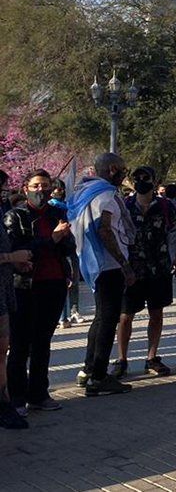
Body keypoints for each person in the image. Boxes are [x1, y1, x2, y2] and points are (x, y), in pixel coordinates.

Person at [3, 170, 74, 418]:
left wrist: (63, 238)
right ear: (26, 189)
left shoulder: (57, 213)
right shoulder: (16, 216)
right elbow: (18, 251)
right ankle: (17, 396)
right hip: (25, 286)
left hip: (53, 284)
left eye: (45, 185)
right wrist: (50, 239)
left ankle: (39, 394)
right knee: (21, 343)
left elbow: (68, 247)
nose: (41, 190)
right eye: (36, 185)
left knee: (43, 342)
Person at [70, 153, 137, 397]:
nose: (124, 174)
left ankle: (89, 369)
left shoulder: (85, 192)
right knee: (108, 320)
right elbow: (105, 230)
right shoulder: (105, 195)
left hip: (95, 264)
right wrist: (125, 264)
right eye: (122, 169)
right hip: (108, 265)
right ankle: (98, 376)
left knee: (101, 318)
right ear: (111, 169)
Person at [110, 166, 176, 379]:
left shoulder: (168, 207)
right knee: (125, 316)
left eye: (146, 177)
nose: (142, 181)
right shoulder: (124, 205)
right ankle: (122, 359)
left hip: (159, 266)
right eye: (138, 178)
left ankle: (152, 357)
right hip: (131, 268)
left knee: (156, 312)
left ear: (154, 179)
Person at [0, 169, 34, 429]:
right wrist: (14, 258)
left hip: (3, 289)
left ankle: (5, 401)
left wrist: (15, 264)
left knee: (3, 349)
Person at [50, 179, 85, 329]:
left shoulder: (69, 206)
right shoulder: (51, 208)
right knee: (65, 282)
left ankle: (74, 310)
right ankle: (62, 316)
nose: (59, 191)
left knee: (74, 281)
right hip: (59, 250)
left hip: (72, 248)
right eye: (56, 189)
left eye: (61, 189)